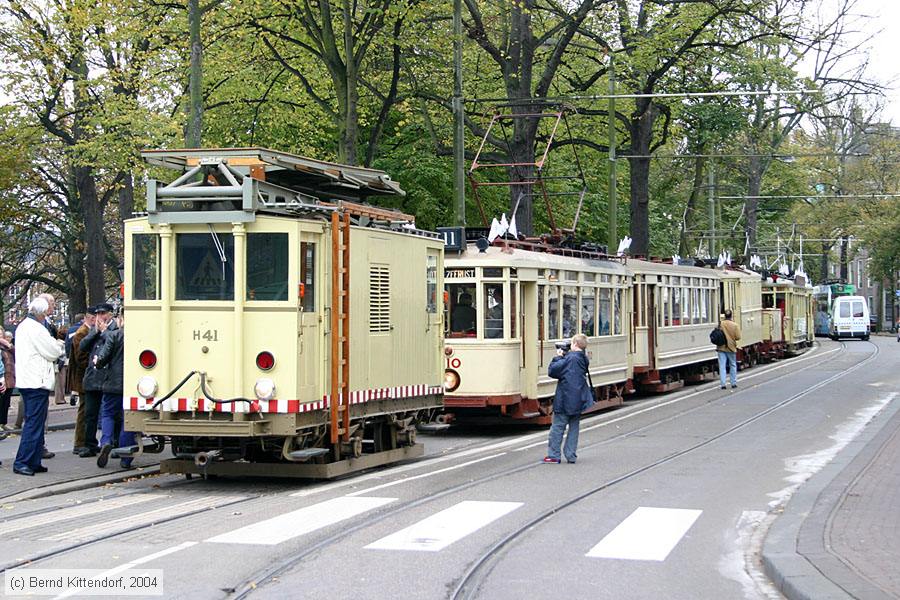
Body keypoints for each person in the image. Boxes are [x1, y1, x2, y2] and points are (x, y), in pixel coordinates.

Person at [12, 297, 65, 476]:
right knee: (34, 424)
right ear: (41, 313)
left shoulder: (24, 326)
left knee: (34, 423)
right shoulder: (36, 329)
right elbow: (53, 351)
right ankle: (23, 461)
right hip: (36, 381)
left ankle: (33, 461)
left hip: (30, 380)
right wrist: (58, 345)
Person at [543, 333, 593, 464]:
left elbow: (553, 371)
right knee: (574, 428)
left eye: (571, 343)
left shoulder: (570, 359)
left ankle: (554, 455)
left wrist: (558, 357)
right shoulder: (583, 358)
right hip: (579, 399)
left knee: (557, 427)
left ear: (575, 344)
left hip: (565, 399)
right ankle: (571, 455)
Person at [77, 303, 113, 458]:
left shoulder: (115, 330)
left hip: (108, 379)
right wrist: (95, 332)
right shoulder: (94, 331)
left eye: (103, 313)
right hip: (93, 378)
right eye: (98, 314)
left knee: (110, 413)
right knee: (90, 414)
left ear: (110, 314)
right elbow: (82, 346)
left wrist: (104, 332)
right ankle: (89, 444)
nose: (100, 317)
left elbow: (114, 345)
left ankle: (111, 443)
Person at [94, 310, 127, 468]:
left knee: (108, 414)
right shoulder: (144, 335)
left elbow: (102, 359)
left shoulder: (115, 335)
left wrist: (97, 361)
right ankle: (126, 457)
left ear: (121, 319)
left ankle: (106, 441)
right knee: (128, 419)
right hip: (135, 386)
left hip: (113, 384)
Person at [70, 308, 96, 454]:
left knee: (86, 410)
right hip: (82, 379)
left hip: (84, 378)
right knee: (84, 411)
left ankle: (83, 441)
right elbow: (81, 358)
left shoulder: (84, 332)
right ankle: (79, 442)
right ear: (91, 318)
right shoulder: (81, 334)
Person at [717, 308, 742, 390]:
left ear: (724, 316)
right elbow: (738, 337)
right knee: (732, 365)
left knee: (722, 366)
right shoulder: (735, 325)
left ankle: (723, 384)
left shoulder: (721, 324)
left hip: (721, 347)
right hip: (731, 348)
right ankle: (733, 383)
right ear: (731, 316)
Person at [0, 332, 14, 435]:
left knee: (6, 402)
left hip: (9, 377)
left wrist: (9, 345)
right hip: (2, 378)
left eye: (1, 335)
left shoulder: (6, 347)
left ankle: (3, 422)